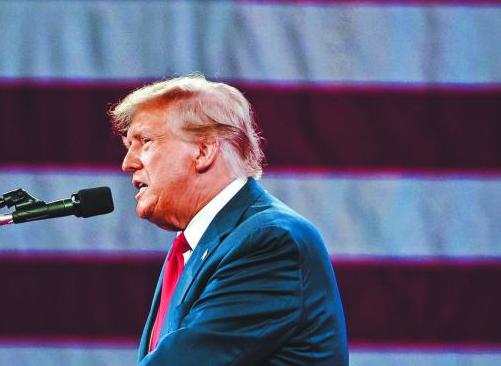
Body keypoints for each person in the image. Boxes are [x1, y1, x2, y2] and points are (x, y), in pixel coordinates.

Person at [110, 74, 348, 365]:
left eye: (145, 141)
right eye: (128, 146)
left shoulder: (270, 241)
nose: (128, 162)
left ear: (203, 150)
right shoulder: (195, 248)